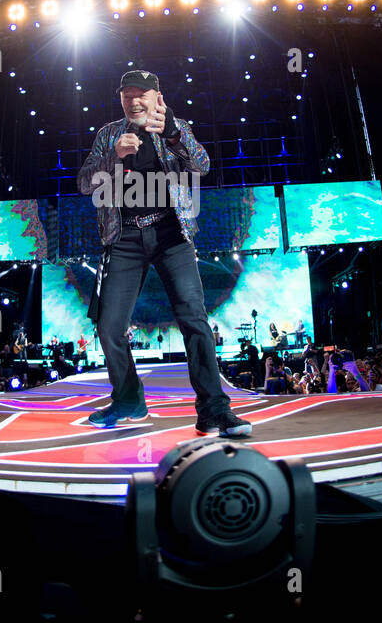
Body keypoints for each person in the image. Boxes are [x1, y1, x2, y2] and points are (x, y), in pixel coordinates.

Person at [78, 69, 252, 436]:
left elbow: (202, 165)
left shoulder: (176, 127)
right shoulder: (108, 134)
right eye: (127, 95)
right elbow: (84, 183)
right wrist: (113, 156)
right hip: (123, 238)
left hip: (171, 233)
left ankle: (213, 409)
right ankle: (128, 398)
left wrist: (172, 133)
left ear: (159, 97)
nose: (134, 101)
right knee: (109, 327)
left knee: (193, 317)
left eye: (142, 94)